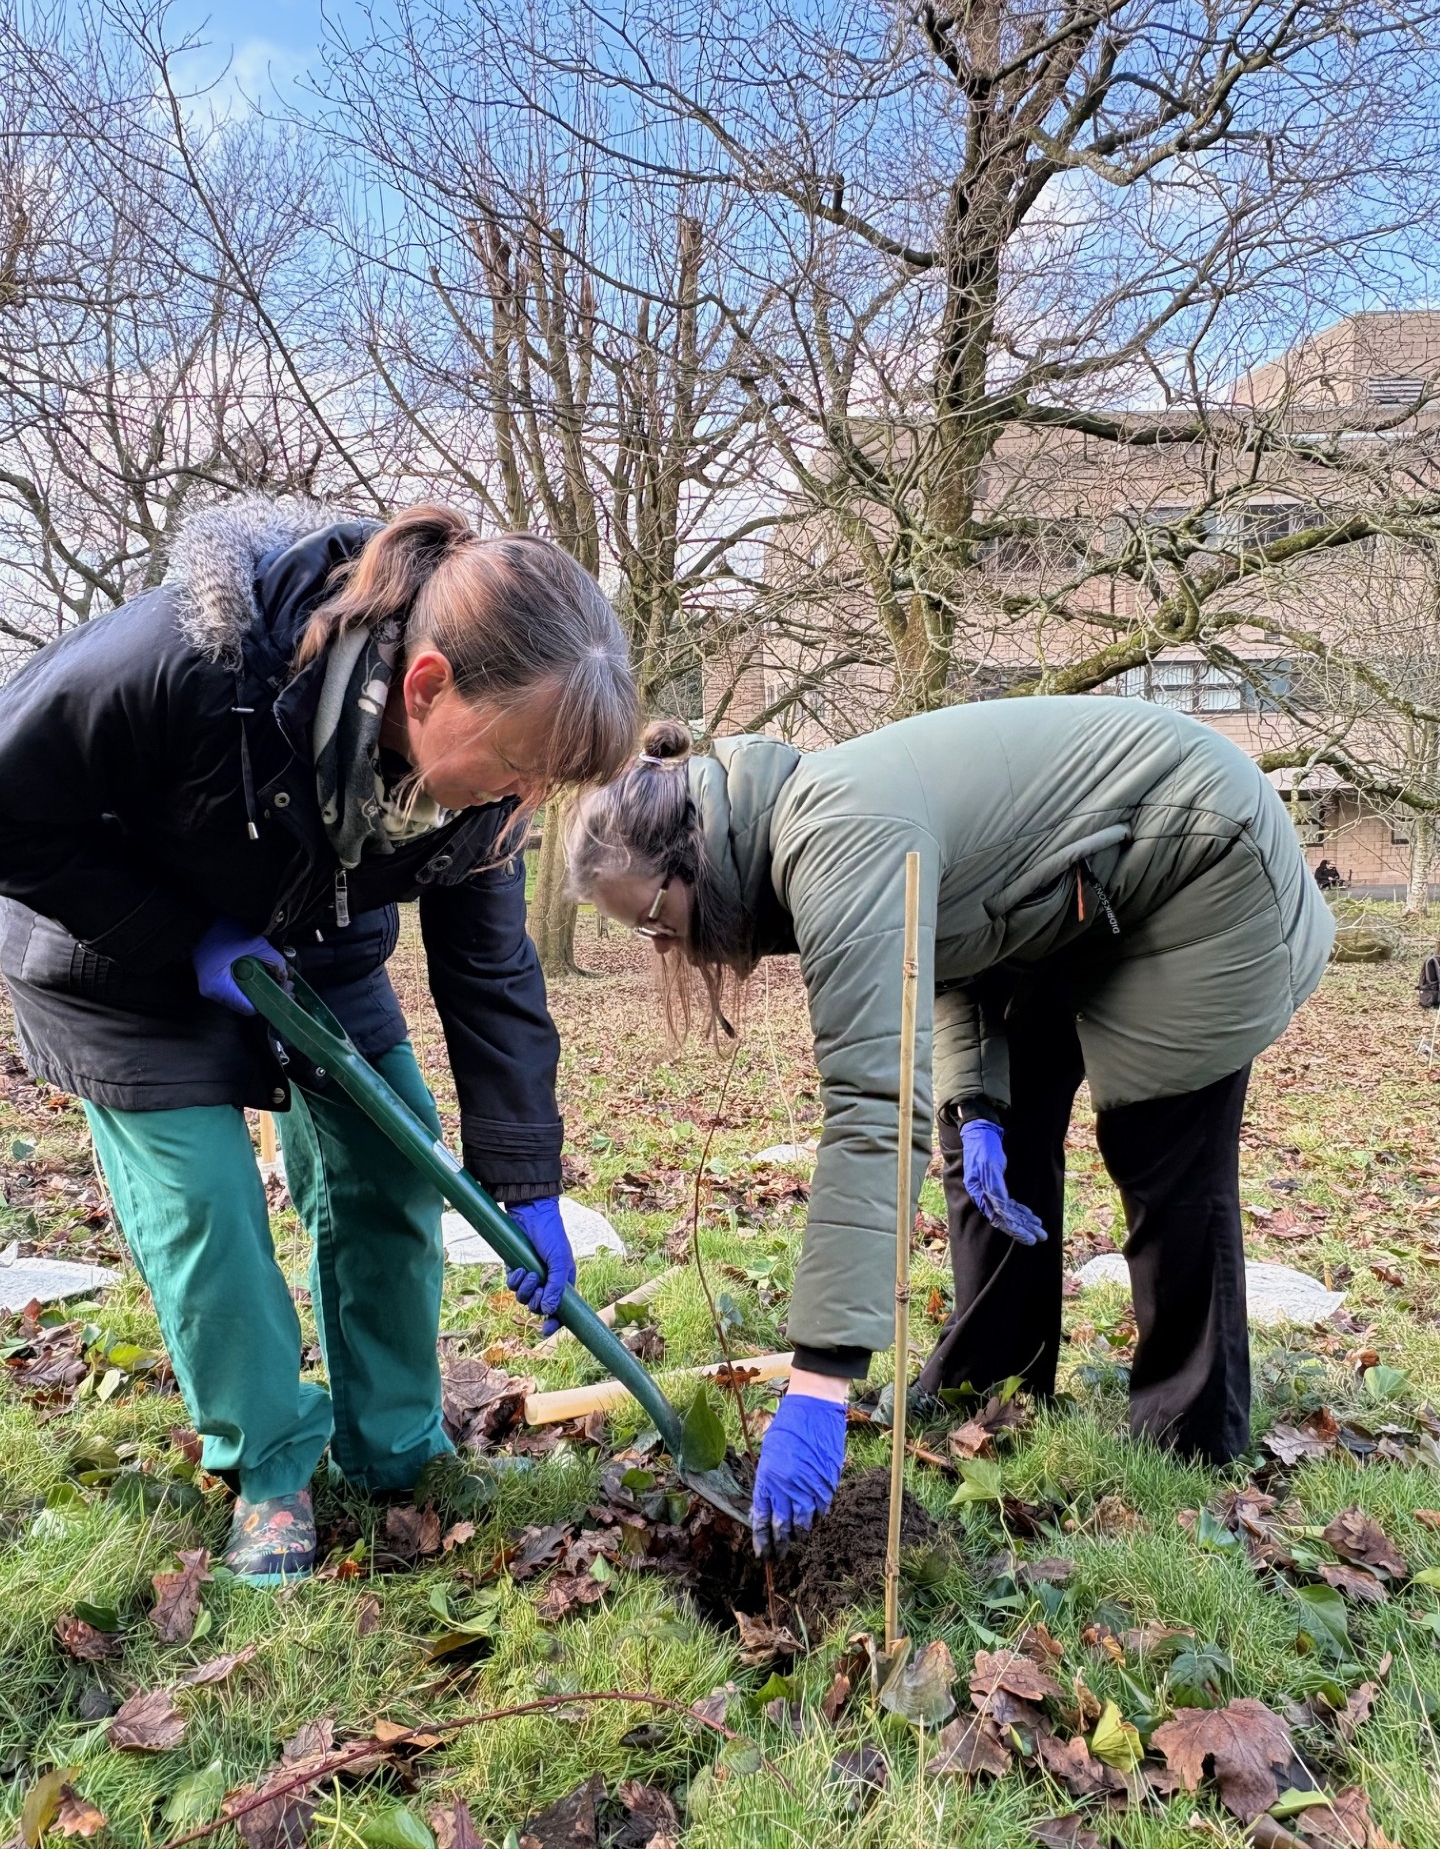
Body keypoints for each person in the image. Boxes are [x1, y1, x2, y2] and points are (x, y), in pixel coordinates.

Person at [0, 498, 636, 1584]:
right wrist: (182, 936)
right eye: (518, 767)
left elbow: (489, 973)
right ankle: (269, 1468)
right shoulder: (195, 662)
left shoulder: (487, 798)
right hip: (119, 961)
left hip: (312, 945)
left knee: (395, 1164)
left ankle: (396, 1448)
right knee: (206, 1205)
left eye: (545, 784)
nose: (523, 802)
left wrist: (524, 1176)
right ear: (427, 684)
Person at [568, 700, 1335, 1555]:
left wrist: (822, 1378)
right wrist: (976, 1109)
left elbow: (872, 1106)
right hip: (1065, 904)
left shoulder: (834, 834)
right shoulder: (804, 830)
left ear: (690, 859)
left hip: (1200, 860)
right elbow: (951, 948)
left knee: (1161, 1148)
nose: (662, 947)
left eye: (649, 920)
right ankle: (998, 1371)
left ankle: (1189, 1429)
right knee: (992, 1140)